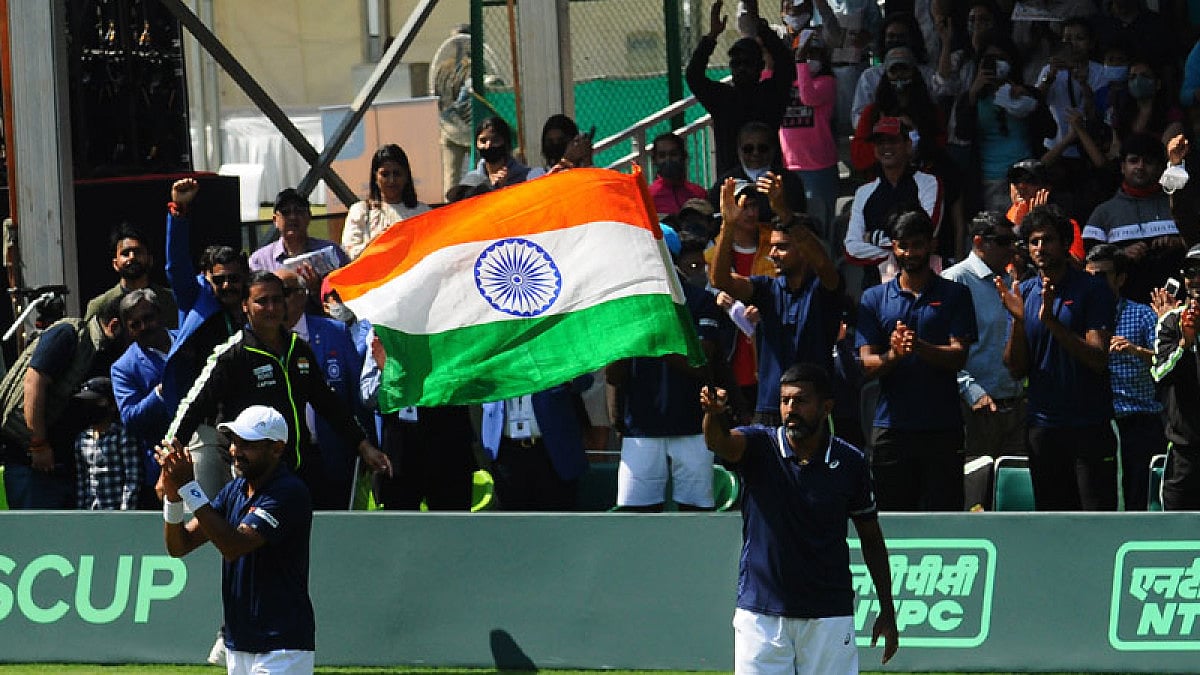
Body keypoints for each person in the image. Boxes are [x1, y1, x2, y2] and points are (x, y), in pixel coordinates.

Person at [699, 363, 898, 674]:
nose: (790, 409)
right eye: (784, 400)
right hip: (761, 615)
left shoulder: (851, 462)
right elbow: (719, 442)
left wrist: (887, 608)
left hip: (828, 616)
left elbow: (871, 539)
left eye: (801, 400)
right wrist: (713, 413)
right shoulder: (758, 446)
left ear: (826, 407)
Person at [166, 271, 391, 508]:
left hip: (301, 469)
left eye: (276, 299)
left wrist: (363, 445)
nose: (271, 308)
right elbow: (192, 407)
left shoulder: (298, 349)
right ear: (245, 306)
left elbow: (328, 403)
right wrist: (169, 462)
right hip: (253, 477)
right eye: (262, 301)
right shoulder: (232, 354)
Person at [160, 405, 316, 675]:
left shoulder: (288, 492)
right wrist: (174, 498)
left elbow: (234, 546)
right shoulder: (235, 489)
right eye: (234, 441)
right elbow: (180, 545)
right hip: (240, 643)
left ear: (277, 449)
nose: (235, 450)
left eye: (248, 444)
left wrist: (189, 488)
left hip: (282, 645)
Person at [997, 205, 1118, 511]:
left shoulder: (1093, 290)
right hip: (1043, 429)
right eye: (1034, 241)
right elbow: (1015, 368)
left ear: (1065, 243)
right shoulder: (1022, 291)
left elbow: (1097, 358)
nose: (1040, 248)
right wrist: (1019, 321)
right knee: (1052, 523)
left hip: (1089, 426)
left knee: (1095, 521)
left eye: (1048, 239)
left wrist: (1052, 321)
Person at [857, 208, 976, 511]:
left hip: (942, 427)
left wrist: (919, 346)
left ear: (932, 244)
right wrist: (894, 355)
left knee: (945, 518)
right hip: (891, 428)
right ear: (892, 247)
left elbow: (959, 357)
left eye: (918, 244)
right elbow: (866, 365)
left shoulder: (956, 295)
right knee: (890, 519)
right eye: (903, 245)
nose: (910, 253)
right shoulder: (874, 298)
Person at [711, 174, 842, 426]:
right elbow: (720, 281)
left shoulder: (824, 288)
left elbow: (825, 265)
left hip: (813, 411)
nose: (772, 254)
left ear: (804, 250)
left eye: (781, 247)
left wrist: (784, 212)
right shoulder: (766, 288)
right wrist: (728, 226)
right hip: (769, 408)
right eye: (771, 246)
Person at [608, 227, 724, 512]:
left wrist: (653, 338)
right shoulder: (626, 307)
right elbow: (614, 374)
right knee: (636, 517)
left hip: (693, 426)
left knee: (696, 516)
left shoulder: (700, 302)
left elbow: (702, 363)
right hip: (641, 428)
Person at [163, 179, 252, 498]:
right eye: (219, 280)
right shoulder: (195, 300)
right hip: (205, 428)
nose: (227, 286)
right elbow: (175, 267)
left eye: (234, 279)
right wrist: (179, 210)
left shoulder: (254, 309)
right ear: (206, 278)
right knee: (203, 511)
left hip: (248, 427)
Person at [0, 296, 125, 509]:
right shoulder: (68, 334)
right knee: (39, 537)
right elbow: (33, 382)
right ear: (114, 325)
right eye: (132, 326)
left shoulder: (101, 351)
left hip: (67, 467)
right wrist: (38, 444)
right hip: (32, 463)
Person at [1084, 244, 1166, 510]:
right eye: (1091, 275)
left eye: (1104, 275)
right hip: (1095, 420)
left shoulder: (1141, 314)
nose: (1096, 282)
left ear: (1120, 278)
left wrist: (1134, 350)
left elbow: (1165, 361)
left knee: (1138, 495)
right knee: (1097, 497)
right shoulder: (1079, 314)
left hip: (1139, 420)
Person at [278, 269, 367, 509]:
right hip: (282, 460)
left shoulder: (333, 332)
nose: (277, 302)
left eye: (284, 293)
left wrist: (366, 444)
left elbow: (356, 393)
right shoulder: (261, 338)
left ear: (302, 295)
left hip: (331, 454)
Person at [941, 212, 1027, 460]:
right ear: (978, 242)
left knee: (1012, 491)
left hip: (1015, 403)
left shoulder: (1012, 281)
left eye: (1013, 241)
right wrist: (971, 391)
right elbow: (943, 347)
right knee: (978, 490)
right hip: (975, 407)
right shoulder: (956, 280)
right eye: (1002, 242)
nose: (1011, 248)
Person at [687, 0, 795, 173]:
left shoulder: (770, 94)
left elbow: (786, 65)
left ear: (760, 66)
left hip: (769, 181)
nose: (741, 68)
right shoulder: (723, 98)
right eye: (736, 64)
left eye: (747, 63)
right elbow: (694, 76)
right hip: (730, 182)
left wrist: (759, 25)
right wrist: (711, 36)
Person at [1082, 133, 1187, 302]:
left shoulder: (1178, 206)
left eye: (1148, 161)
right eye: (1133, 161)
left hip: (1177, 304)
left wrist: (1179, 243)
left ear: (1161, 167)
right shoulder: (1103, 213)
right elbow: (1087, 264)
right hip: (1123, 309)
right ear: (1122, 167)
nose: (1140, 166)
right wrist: (1121, 254)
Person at [844, 117, 944, 289]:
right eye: (880, 142)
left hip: (925, 283)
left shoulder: (929, 183)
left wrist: (873, 238)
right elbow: (852, 248)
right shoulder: (863, 192)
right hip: (875, 285)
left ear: (908, 145)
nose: (886, 147)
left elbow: (927, 234)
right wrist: (900, 250)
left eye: (893, 141)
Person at [480, 375, 592, 511]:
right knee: (511, 522)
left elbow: (585, 380)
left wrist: (567, 374)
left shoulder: (555, 353)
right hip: (505, 451)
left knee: (556, 520)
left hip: (552, 451)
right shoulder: (494, 355)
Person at [111, 288, 177, 508]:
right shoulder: (123, 368)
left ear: (159, 314)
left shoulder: (186, 340)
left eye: (147, 318)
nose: (143, 327)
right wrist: (159, 393)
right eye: (134, 324)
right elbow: (130, 417)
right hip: (163, 469)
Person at [1151, 244, 1200, 510]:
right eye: (1191, 272)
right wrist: (1185, 343)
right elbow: (1160, 373)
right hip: (1185, 451)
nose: (1196, 279)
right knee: (1177, 529)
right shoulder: (1170, 322)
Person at [782, 32, 839, 238]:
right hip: (790, 165)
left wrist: (800, 63)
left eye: (814, 53)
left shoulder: (827, 82)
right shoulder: (784, 82)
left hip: (819, 166)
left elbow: (809, 97)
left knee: (821, 227)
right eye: (804, 53)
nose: (809, 58)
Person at [249, 189, 350, 297]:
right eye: (285, 212)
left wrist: (318, 289)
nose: (293, 217)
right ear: (275, 220)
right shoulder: (259, 260)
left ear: (309, 216)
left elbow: (348, 292)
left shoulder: (332, 252)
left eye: (299, 211)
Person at [341, 144, 431, 261]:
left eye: (397, 174)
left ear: (406, 176)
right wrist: (377, 243)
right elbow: (348, 255)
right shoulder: (361, 211)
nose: (391, 180)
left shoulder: (423, 213)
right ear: (375, 177)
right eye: (385, 174)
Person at [84, 222, 178, 329]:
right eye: (125, 253)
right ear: (115, 264)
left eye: (138, 252)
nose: (132, 257)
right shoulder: (100, 306)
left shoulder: (170, 301)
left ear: (150, 260)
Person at [73, 376, 141, 510]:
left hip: (117, 512)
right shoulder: (82, 439)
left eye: (97, 401)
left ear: (112, 405)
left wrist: (125, 513)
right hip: (92, 513)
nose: (90, 406)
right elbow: (83, 481)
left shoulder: (122, 435)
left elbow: (132, 478)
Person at [447, 116, 531, 202]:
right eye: (483, 141)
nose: (488, 146)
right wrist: (489, 188)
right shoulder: (471, 181)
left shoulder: (527, 177)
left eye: (495, 140)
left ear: (506, 143)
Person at [647, 132, 708, 217]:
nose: (668, 159)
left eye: (673, 154)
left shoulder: (698, 193)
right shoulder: (648, 196)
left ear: (683, 156)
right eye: (662, 156)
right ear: (654, 160)